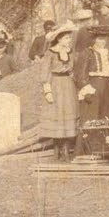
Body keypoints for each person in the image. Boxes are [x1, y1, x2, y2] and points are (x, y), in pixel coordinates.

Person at [39, 24, 81, 160]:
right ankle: (57, 149)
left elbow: (74, 68)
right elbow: (45, 71)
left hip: (68, 85)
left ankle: (66, 149)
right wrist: (47, 91)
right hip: (56, 85)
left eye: (70, 38)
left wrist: (74, 78)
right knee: (57, 115)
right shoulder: (50, 53)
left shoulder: (70, 51)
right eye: (67, 38)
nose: (69, 40)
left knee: (68, 114)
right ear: (59, 39)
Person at [78, 27, 109, 121]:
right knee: (93, 113)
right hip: (94, 85)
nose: (103, 41)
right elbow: (81, 73)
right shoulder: (87, 53)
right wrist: (86, 89)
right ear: (94, 40)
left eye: (104, 39)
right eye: (100, 39)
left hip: (108, 85)